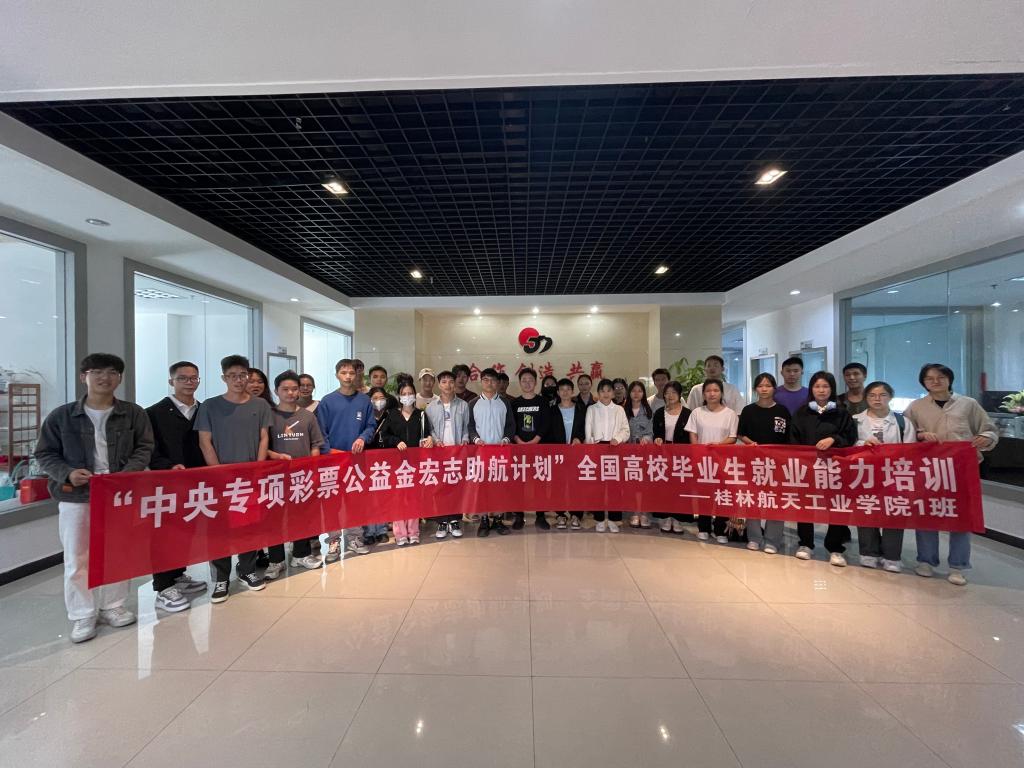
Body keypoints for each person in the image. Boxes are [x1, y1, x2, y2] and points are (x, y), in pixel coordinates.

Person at [35, 353, 153, 643]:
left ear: (119, 378)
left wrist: (126, 474)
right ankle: (82, 613)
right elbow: (45, 453)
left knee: (118, 551)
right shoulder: (62, 416)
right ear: (83, 377)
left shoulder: (133, 413)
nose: (105, 377)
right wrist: (67, 473)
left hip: (119, 494)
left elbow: (144, 447)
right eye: (97, 372)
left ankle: (113, 605)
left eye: (112, 372)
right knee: (77, 556)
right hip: (77, 495)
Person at [904, 363, 998, 586]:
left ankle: (958, 565)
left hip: (961, 470)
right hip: (928, 469)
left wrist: (987, 437)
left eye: (940, 377)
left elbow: (989, 429)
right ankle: (926, 560)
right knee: (926, 514)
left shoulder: (968, 404)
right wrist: (921, 435)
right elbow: (906, 434)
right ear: (923, 382)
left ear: (949, 379)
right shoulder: (916, 407)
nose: (935, 381)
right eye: (929, 378)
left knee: (961, 516)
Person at [195, 355, 274, 602]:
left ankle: (247, 570)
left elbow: (264, 437)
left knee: (248, 525)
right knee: (219, 529)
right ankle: (221, 578)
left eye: (242, 375)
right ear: (224, 378)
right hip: (220, 478)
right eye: (233, 376)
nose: (239, 380)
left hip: (250, 477)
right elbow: (204, 441)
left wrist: (258, 468)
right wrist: (218, 471)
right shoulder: (210, 406)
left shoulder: (260, 405)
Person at [145, 361, 208, 612]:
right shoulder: (153, 413)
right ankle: (163, 586)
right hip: (166, 483)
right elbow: (147, 448)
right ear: (171, 381)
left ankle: (178, 575)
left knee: (187, 529)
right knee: (165, 533)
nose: (189, 383)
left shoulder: (204, 410)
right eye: (183, 378)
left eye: (194, 378)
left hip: (197, 484)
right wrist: (168, 466)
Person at [790, 371, 858, 565]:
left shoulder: (841, 412)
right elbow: (793, 439)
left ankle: (835, 547)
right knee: (805, 505)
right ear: (811, 389)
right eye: (817, 386)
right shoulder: (802, 413)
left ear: (832, 389)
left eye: (825, 386)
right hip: (808, 468)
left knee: (837, 505)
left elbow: (850, 437)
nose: (821, 390)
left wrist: (834, 439)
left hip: (835, 468)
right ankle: (805, 544)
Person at [265, 370, 326, 573]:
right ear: (276, 391)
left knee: (302, 515)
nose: (290, 393)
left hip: (302, 476)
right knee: (275, 518)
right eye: (285, 389)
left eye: (294, 389)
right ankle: (276, 560)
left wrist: (312, 467)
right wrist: (276, 456)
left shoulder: (308, 416)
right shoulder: (268, 415)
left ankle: (301, 555)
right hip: (275, 477)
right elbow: (261, 446)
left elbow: (315, 444)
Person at [854, 381, 916, 573]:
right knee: (866, 510)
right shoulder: (855, 420)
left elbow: (911, 449)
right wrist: (862, 443)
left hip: (894, 475)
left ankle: (892, 555)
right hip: (864, 474)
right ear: (866, 398)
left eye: (882, 395)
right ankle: (868, 552)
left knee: (894, 512)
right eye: (872, 395)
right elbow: (847, 444)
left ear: (890, 397)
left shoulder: (902, 422)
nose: (877, 399)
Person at [315, 358, 375, 560]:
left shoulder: (364, 401)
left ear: (356, 375)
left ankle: (355, 538)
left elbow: (371, 426)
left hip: (356, 461)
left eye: (351, 373)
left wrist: (362, 438)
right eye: (344, 373)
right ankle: (333, 540)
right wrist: (329, 452)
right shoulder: (327, 401)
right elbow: (320, 432)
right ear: (337, 375)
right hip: (332, 461)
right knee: (332, 502)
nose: (348, 376)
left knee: (355, 500)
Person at [737, 373, 793, 554]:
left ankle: (772, 540)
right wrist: (750, 443)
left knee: (776, 500)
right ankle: (754, 537)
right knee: (752, 498)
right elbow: (741, 433)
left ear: (774, 388)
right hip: (753, 462)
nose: (764, 389)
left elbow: (789, 437)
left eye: (768, 385)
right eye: (760, 386)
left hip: (777, 463)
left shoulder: (782, 411)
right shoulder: (748, 410)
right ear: (755, 389)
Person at [685, 379, 739, 543]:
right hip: (703, 461)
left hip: (723, 461)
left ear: (721, 393)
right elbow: (693, 434)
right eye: (708, 391)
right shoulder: (697, 412)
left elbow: (733, 437)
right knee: (705, 494)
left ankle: (720, 529)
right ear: (703, 394)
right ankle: (704, 527)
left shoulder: (730, 414)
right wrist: (698, 452)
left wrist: (718, 445)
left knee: (722, 495)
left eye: (716, 390)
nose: (712, 394)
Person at [382, 381, 434, 545]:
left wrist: (430, 439)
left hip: (415, 463)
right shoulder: (392, 415)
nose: (407, 396)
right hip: (397, 464)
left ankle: (413, 531)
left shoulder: (421, 415)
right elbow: (385, 435)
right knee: (398, 498)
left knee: (413, 498)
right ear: (399, 396)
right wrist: (396, 441)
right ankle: (400, 533)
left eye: (410, 393)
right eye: (403, 394)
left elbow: (427, 434)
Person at [468, 368, 515, 536]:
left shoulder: (504, 402)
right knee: (482, 488)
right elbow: (470, 426)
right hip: (480, 452)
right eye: (486, 380)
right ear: (481, 382)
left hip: (500, 452)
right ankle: (484, 521)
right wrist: (475, 439)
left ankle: (498, 520)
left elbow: (510, 425)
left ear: (498, 383)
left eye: (493, 380)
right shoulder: (473, 403)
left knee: (500, 487)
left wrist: (506, 439)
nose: (489, 383)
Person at [425, 370, 469, 538]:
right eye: (444, 382)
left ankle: (455, 520)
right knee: (440, 488)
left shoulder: (463, 405)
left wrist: (465, 439)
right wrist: (436, 441)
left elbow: (466, 428)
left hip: (457, 453)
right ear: (439, 384)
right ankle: (442, 522)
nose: (448, 385)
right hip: (439, 453)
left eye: (451, 381)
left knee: (457, 487)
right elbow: (430, 430)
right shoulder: (431, 407)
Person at [585, 378, 630, 532]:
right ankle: (599, 519)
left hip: (614, 448)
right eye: (602, 391)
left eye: (608, 390)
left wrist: (618, 439)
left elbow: (626, 429)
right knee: (597, 487)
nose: (605, 393)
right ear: (598, 393)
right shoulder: (592, 409)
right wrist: (591, 443)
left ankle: (613, 519)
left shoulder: (619, 409)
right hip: (597, 449)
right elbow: (588, 429)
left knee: (614, 486)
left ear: (613, 393)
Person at [511, 368, 552, 530]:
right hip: (518, 449)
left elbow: (546, 423)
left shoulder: (543, 402)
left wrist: (535, 440)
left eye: (530, 380)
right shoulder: (515, 403)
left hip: (538, 448)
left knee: (539, 483)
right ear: (520, 383)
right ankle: (519, 516)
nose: (527, 383)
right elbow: (511, 425)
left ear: (535, 382)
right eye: (524, 380)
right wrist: (518, 441)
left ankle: (540, 516)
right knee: (518, 483)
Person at [652, 381, 693, 534]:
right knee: (664, 487)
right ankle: (666, 517)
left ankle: (678, 519)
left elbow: (691, 435)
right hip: (663, 455)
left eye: (673, 393)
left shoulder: (688, 413)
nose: (670, 396)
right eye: (667, 393)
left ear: (679, 394)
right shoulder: (659, 413)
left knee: (680, 487)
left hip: (682, 456)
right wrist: (657, 439)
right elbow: (656, 433)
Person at [546, 378, 587, 529]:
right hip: (558, 455)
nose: (565, 392)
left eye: (568, 389)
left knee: (577, 485)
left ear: (572, 391)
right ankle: (560, 514)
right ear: (558, 392)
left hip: (576, 454)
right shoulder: (552, 411)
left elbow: (585, 429)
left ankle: (576, 514)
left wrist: (579, 438)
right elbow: (548, 432)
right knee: (558, 485)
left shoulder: (581, 409)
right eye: (562, 389)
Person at [360, 386, 392, 545]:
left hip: (385, 463)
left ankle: (381, 530)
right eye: (375, 398)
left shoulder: (390, 416)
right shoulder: (365, 417)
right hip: (366, 462)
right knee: (367, 499)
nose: (378, 401)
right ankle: (368, 532)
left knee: (382, 498)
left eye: (381, 398)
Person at [624, 380, 654, 528]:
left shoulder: (648, 411)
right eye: (633, 391)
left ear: (643, 393)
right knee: (632, 484)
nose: (636, 394)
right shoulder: (623, 411)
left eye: (639, 391)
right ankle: (635, 512)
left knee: (644, 484)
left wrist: (646, 439)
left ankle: (645, 512)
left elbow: (651, 433)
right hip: (628, 454)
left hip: (644, 453)